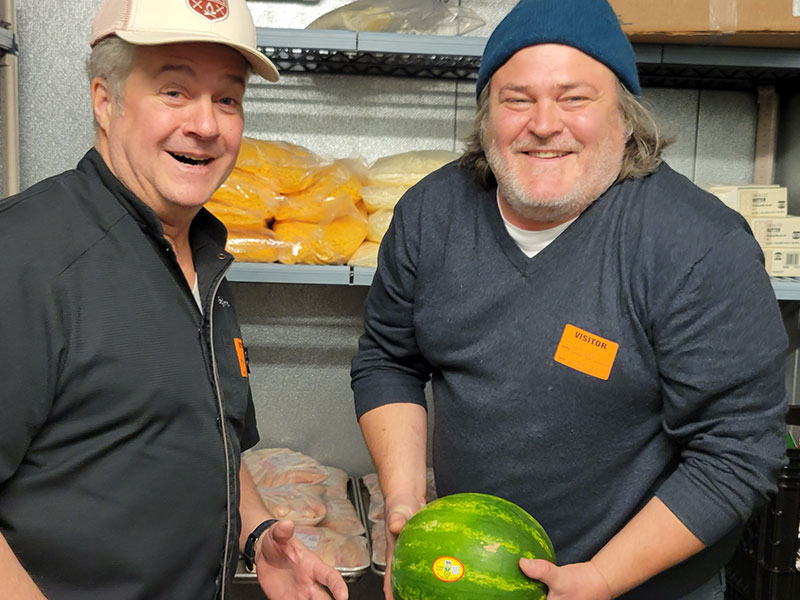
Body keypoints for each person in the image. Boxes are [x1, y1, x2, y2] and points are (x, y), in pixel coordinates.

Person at [350, 0, 789, 598]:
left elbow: (737, 452)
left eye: (574, 98)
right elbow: (389, 360)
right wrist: (406, 501)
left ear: (625, 116)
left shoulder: (697, 245)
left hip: (644, 586)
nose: (543, 123)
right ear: (486, 116)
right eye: (517, 99)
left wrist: (603, 578)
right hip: (471, 579)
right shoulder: (432, 215)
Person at [0, 0, 348, 599]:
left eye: (228, 98)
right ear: (105, 100)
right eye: (174, 91)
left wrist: (258, 532)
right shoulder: (26, 257)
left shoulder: (202, 252)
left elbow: (206, 431)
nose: (206, 124)